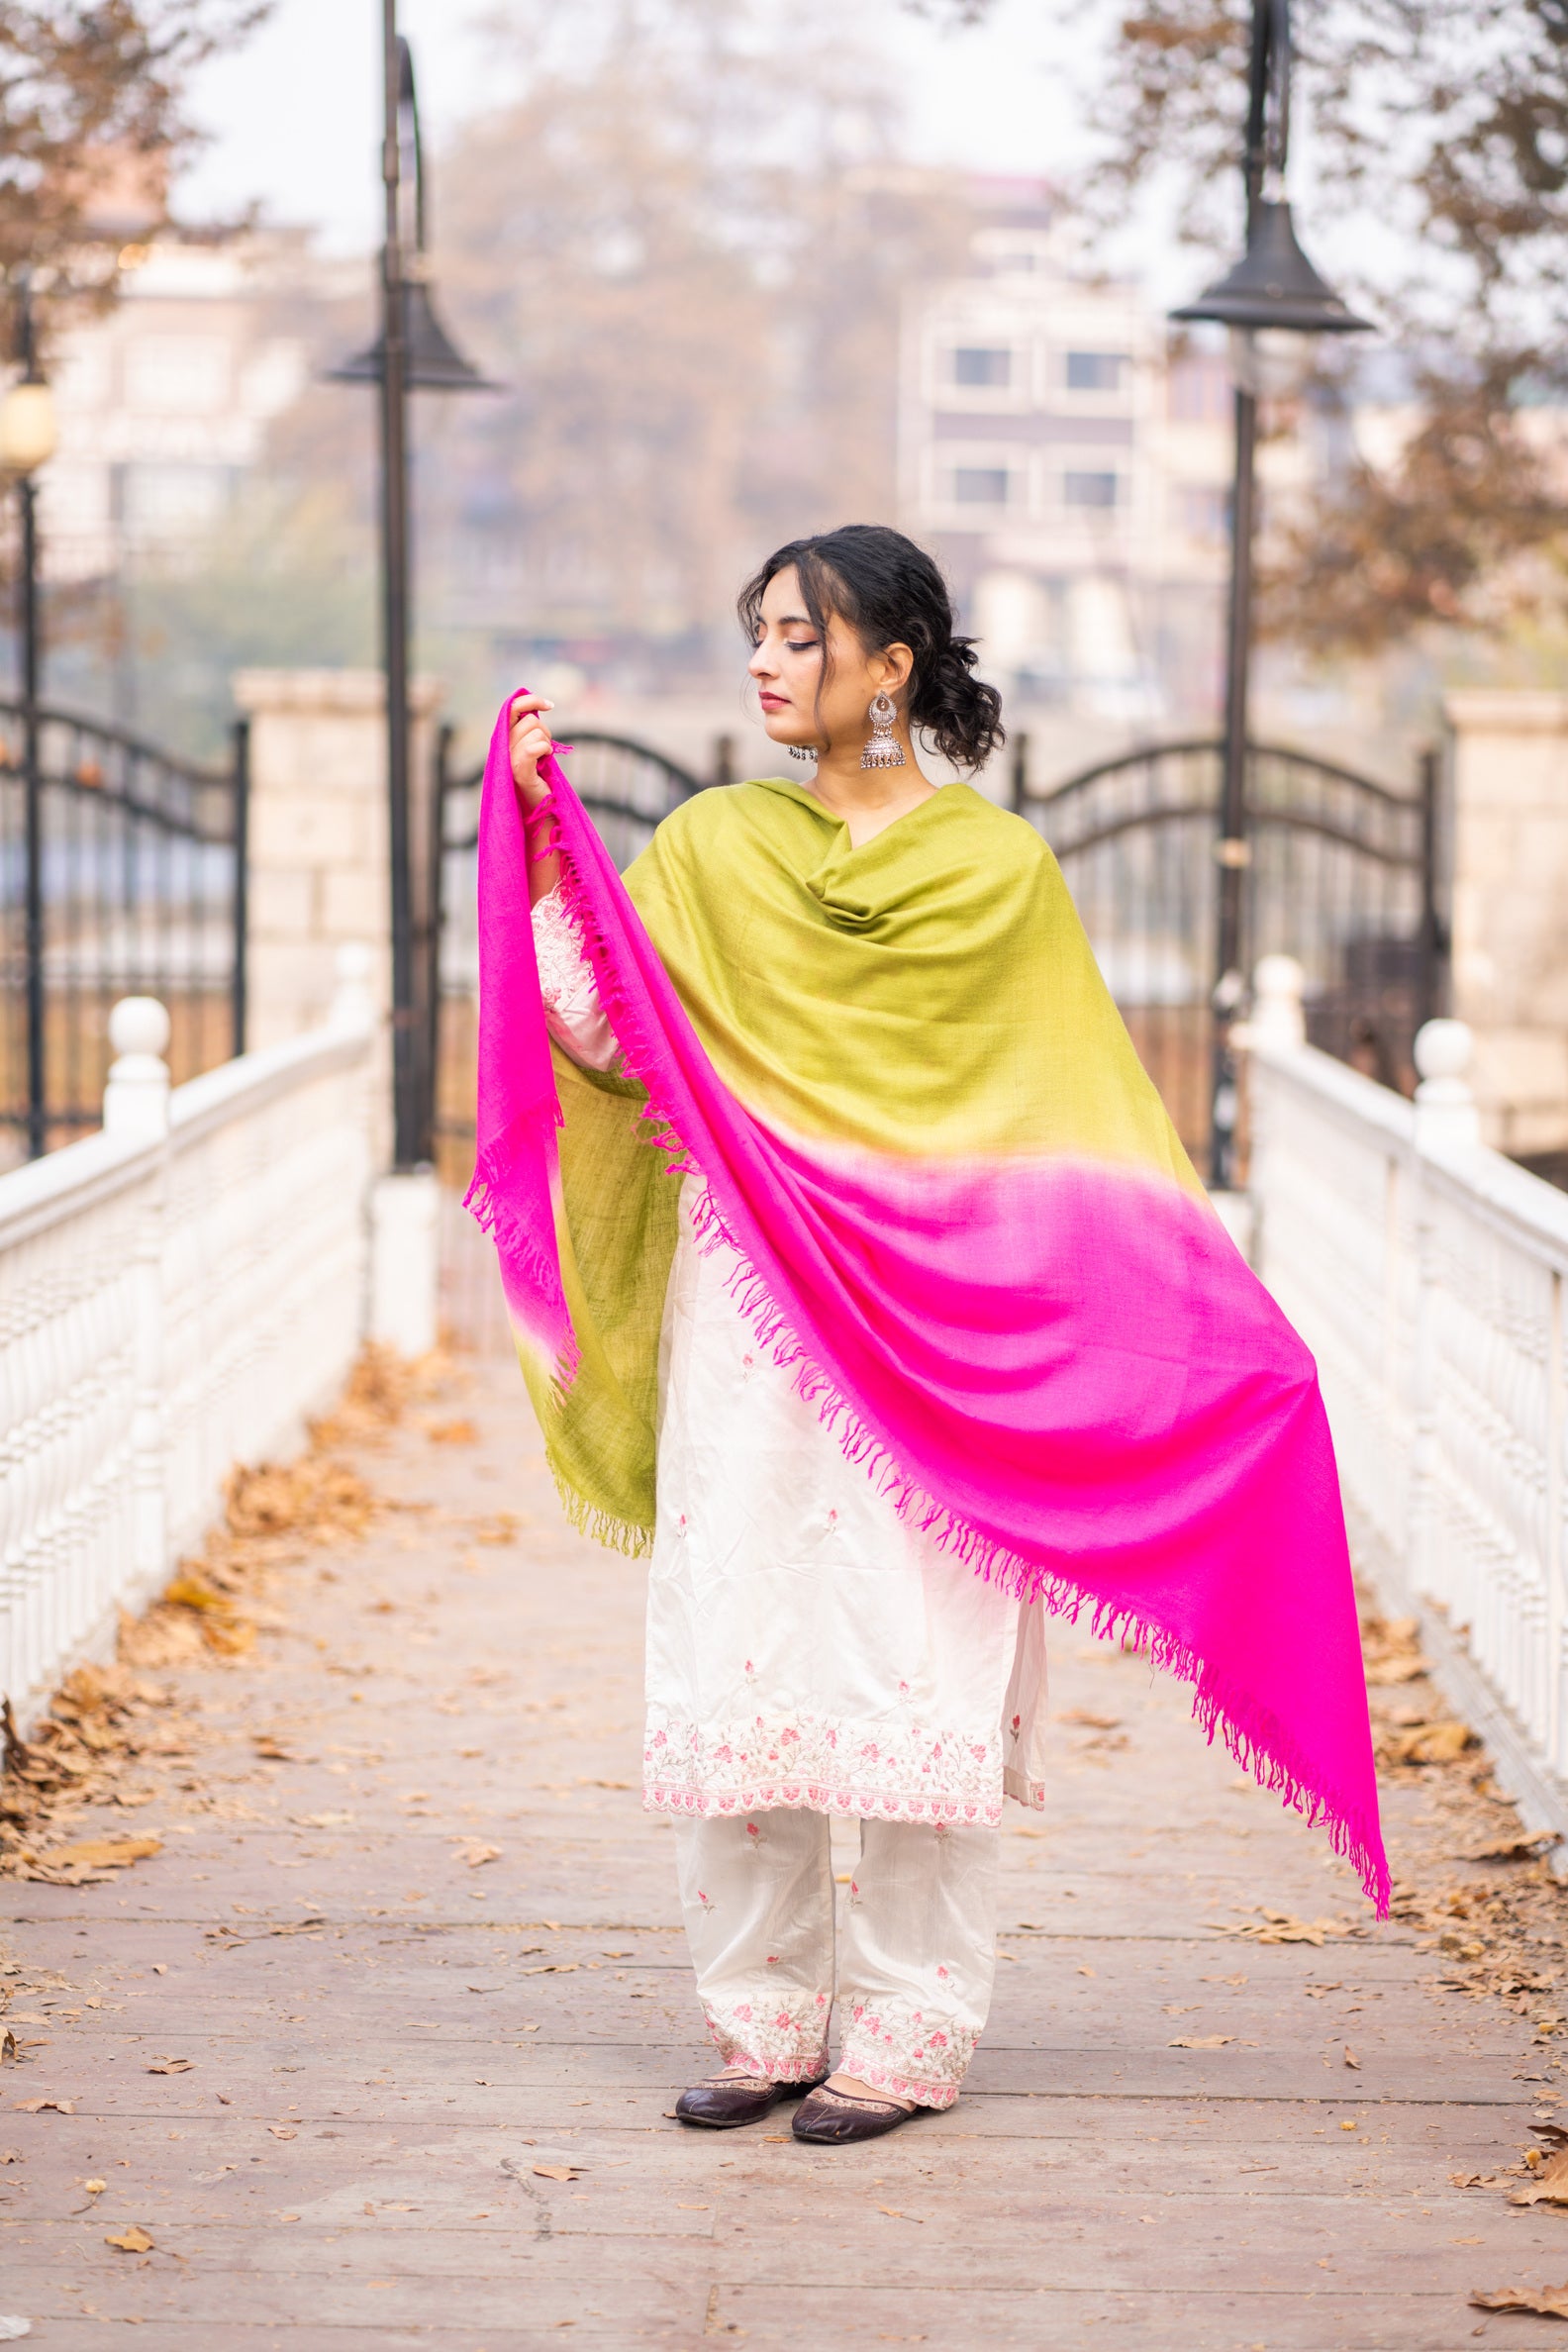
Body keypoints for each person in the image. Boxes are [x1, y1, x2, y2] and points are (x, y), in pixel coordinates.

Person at [473, 523, 1385, 2150]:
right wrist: (546, 845)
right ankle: (762, 2020)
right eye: (754, 632)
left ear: (892, 665)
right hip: (749, 1317)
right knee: (748, 1637)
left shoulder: (996, 874)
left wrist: (1211, 1335)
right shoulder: (709, 846)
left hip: (935, 1344)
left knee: (911, 1666)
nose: (764, 661)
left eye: (799, 637)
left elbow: (1066, 1128)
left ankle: (907, 2034)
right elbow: (611, 1037)